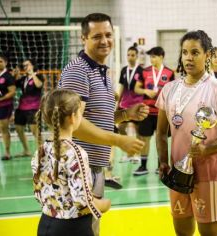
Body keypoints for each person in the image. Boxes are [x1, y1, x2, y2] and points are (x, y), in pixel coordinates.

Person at [58, 13, 148, 235]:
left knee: (91, 229)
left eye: (108, 35)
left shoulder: (102, 71)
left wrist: (126, 115)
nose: (105, 40)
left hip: (93, 169)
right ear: (84, 38)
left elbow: (96, 116)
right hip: (78, 169)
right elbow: (74, 124)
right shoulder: (78, 70)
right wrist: (119, 140)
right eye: (97, 36)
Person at [156, 30, 217, 236]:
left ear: (207, 55)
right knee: (182, 231)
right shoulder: (169, 89)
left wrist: (206, 148)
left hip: (209, 173)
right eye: (185, 52)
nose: (188, 58)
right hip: (177, 173)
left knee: (208, 232)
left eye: (195, 52)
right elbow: (160, 133)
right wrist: (162, 161)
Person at [32, 89, 111, 236]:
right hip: (72, 228)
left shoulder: (40, 150)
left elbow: (38, 193)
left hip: (45, 224)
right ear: (73, 117)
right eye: (81, 112)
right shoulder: (76, 153)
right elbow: (82, 201)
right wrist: (104, 205)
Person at [134, 46, 174, 176]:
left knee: (161, 139)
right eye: (150, 56)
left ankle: (161, 166)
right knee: (144, 139)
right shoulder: (144, 72)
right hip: (147, 111)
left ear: (161, 57)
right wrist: (145, 91)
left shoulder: (169, 73)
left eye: (154, 56)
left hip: (162, 112)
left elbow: (174, 91)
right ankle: (143, 166)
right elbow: (137, 89)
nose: (151, 59)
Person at [116, 45, 144, 163]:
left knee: (138, 131)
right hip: (124, 105)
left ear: (136, 56)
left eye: (132, 55)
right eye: (128, 55)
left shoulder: (141, 71)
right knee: (121, 128)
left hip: (137, 105)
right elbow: (122, 87)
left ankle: (137, 154)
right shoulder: (123, 70)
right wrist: (118, 102)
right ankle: (129, 153)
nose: (130, 57)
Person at [12, 59, 44, 157]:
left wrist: (32, 74)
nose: (25, 67)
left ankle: (42, 152)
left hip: (33, 108)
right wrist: (14, 75)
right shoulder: (23, 79)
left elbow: (39, 85)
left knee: (35, 131)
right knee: (18, 128)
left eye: (27, 65)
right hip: (21, 108)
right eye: (24, 66)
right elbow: (12, 84)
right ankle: (26, 150)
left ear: (33, 66)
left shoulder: (38, 76)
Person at [0, 54, 16, 160]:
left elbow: (12, 92)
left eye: (0, 61)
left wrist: (1, 99)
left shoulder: (8, 76)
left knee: (3, 128)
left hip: (4, 106)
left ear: (5, 63)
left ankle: (7, 152)